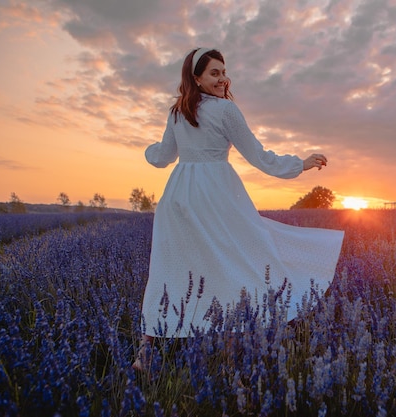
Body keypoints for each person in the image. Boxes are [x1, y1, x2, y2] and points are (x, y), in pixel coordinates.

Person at [132, 48, 344, 371]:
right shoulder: (225, 111)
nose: (222, 79)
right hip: (217, 197)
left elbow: (163, 156)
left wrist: (146, 152)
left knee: (168, 271)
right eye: (214, 73)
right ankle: (229, 361)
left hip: (178, 198)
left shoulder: (177, 112)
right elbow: (258, 156)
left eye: (223, 72)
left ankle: (144, 354)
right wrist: (299, 165)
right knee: (233, 267)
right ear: (196, 77)